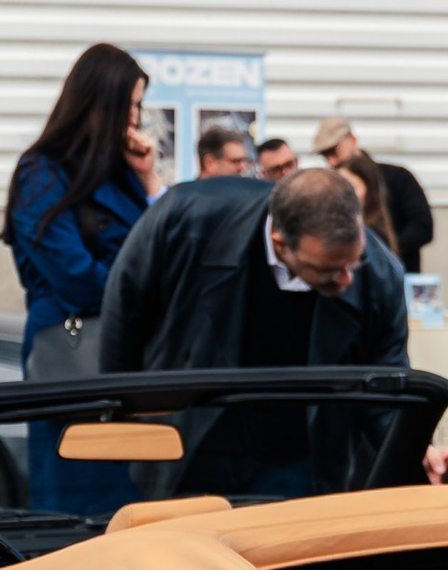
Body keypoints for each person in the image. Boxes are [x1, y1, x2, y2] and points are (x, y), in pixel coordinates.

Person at [99, 161, 409, 497]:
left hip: (301, 453)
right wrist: (122, 417)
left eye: (354, 262)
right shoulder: (186, 221)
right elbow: (124, 316)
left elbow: (386, 381)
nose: (348, 279)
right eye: (329, 270)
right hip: (193, 436)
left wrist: (415, 451)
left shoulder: (379, 273)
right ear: (280, 244)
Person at [5, 45, 163, 512]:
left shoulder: (123, 172)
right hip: (73, 350)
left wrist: (151, 182)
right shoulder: (40, 174)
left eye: (138, 106)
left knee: (133, 501)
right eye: (129, 105)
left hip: (125, 354)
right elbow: (76, 278)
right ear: (101, 102)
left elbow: (163, 250)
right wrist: (146, 289)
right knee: (76, 500)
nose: (135, 119)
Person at [314, 114, 434, 273]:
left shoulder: (398, 177)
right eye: (325, 155)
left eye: (334, 151)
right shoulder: (330, 189)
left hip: (400, 275)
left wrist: (383, 254)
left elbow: (422, 227)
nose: (331, 161)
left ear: (352, 140)